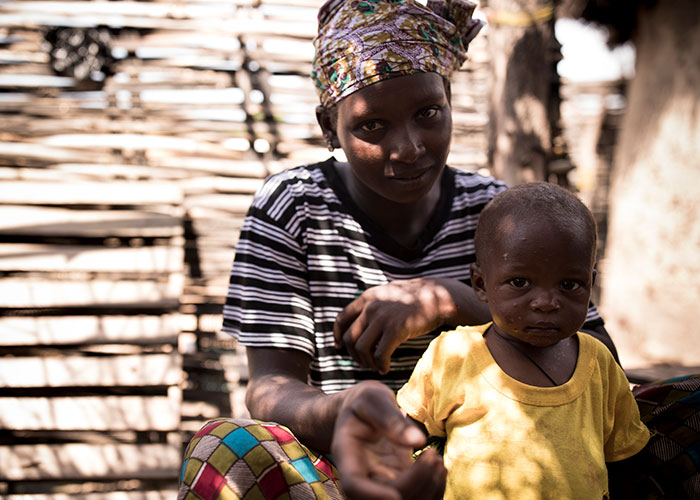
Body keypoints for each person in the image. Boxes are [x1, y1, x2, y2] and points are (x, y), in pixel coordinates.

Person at [177, 1, 623, 499]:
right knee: (225, 446)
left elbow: (601, 364)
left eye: (428, 113)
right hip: (344, 470)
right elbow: (269, 385)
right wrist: (343, 410)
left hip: (505, 465)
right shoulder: (292, 209)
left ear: (449, 98)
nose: (409, 147)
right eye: (372, 126)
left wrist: (447, 300)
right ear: (329, 127)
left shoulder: (501, 216)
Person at [392, 182, 650, 499]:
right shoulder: (453, 355)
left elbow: (624, 460)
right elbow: (405, 438)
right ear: (480, 284)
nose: (545, 302)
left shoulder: (599, 363)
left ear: (590, 284)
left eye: (569, 284)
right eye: (520, 282)